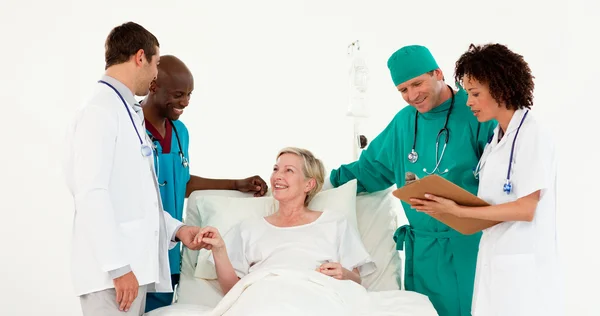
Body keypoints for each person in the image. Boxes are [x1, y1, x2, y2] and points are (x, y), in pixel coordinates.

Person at [325, 45, 497, 316]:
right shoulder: (404, 123)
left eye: (417, 83)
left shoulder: (475, 111)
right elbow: (369, 169)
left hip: (471, 246)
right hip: (425, 252)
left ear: (438, 73)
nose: (412, 95)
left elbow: (500, 176)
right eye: (403, 90)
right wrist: (320, 181)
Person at [63, 22, 208, 316]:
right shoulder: (99, 112)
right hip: (113, 276)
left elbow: (137, 199)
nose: (156, 73)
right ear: (140, 57)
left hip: (131, 271)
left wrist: (178, 229)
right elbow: (91, 193)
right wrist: (118, 268)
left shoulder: (126, 110)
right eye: (155, 63)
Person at [410, 43, 562, 316]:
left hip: (523, 270)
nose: (468, 102)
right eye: (467, 93)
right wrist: (443, 201)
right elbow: (494, 201)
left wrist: (457, 210)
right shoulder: (496, 140)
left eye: (476, 93)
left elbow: (526, 209)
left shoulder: (532, 134)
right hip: (495, 261)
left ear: (501, 89)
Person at [139, 55, 269, 312]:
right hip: (138, 249)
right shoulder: (130, 127)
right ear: (153, 86)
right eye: (178, 94)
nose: (185, 102)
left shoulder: (180, 131)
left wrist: (236, 184)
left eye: (189, 95)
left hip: (170, 248)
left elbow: (181, 182)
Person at [195, 147, 377, 313]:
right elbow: (232, 291)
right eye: (275, 169)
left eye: (288, 170)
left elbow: (357, 283)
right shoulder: (249, 228)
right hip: (262, 297)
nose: (277, 176)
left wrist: (344, 274)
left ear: (309, 185)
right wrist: (219, 250)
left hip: (315, 295)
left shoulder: (334, 223)